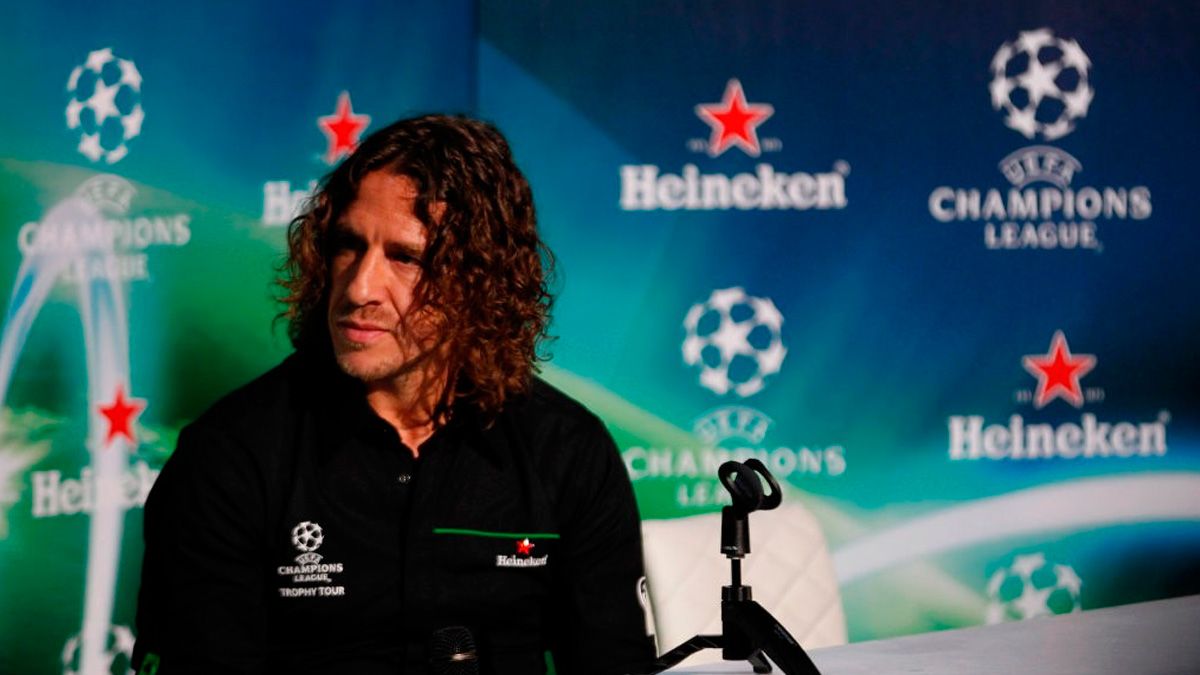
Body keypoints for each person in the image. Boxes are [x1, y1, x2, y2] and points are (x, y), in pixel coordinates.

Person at [132, 115, 656, 674]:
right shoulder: (230, 457)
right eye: (348, 245)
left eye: (405, 258)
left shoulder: (566, 451)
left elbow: (614, 662)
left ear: (480, 279)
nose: (359, 287)